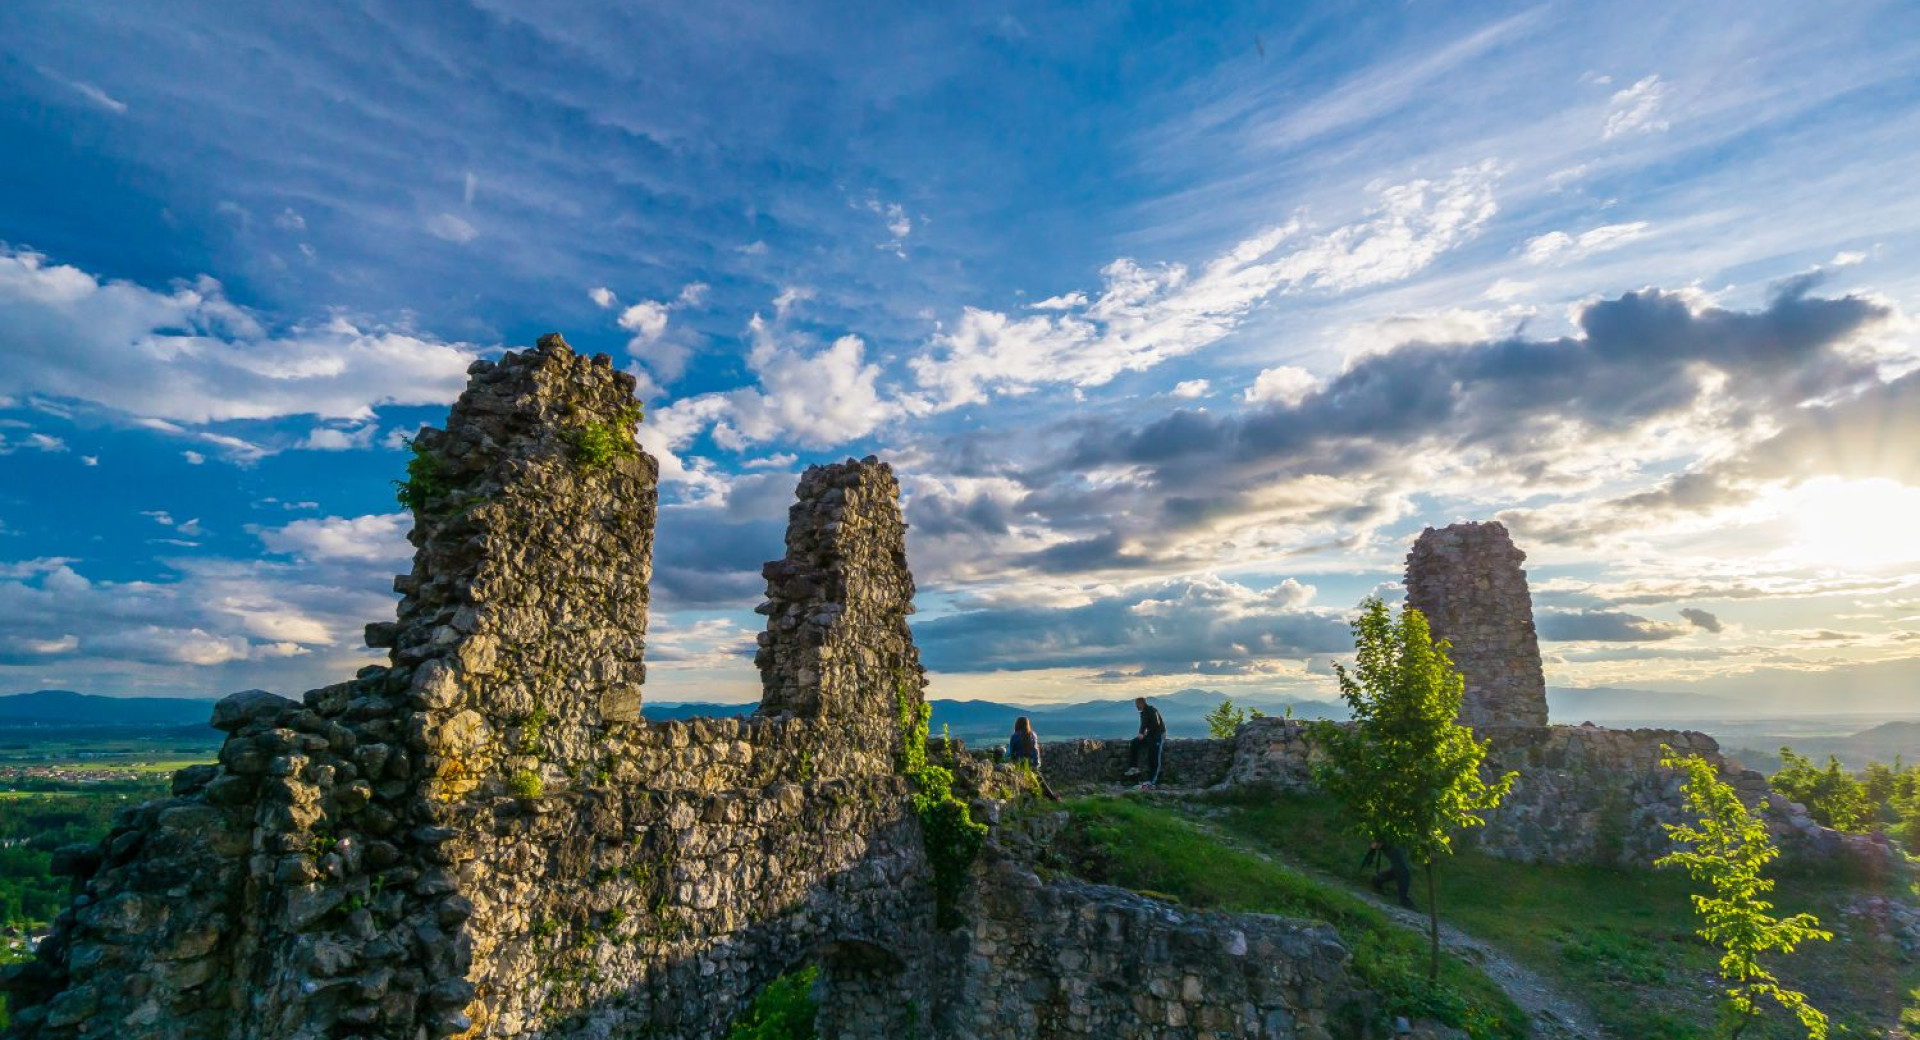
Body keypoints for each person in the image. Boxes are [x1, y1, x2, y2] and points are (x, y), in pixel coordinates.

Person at [1007, 716, 1062, 801]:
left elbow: (1011, 753)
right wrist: (1035, 763)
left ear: (1017, 725)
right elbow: (1035, 750)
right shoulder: (1033, 734)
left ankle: (1049, 796)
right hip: (1034, 763)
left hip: (1021, 764)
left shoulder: (1014, 736)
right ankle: (1051, 796)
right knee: (1039, 778)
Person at [1123, 697, 1166, 788]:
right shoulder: (1143, 712)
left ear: (1141, 703)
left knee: (1154, 758)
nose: (1136, 707)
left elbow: (1156, 724)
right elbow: (1143, 724)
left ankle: (1152, 782)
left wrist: (1144, 734)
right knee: (1134, 743)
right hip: (1150, 735)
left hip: (1158, 736)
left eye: (1137, 704)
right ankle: (1134, 768)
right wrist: (1141, 733)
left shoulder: (1152, 711)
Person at [1361, 839, 1415, 909]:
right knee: (1403, 870)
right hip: (1390, 840)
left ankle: (1377, 880)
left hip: (1398, 840)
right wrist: (1378, 841)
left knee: (1400, 869)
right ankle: (1404, 900)